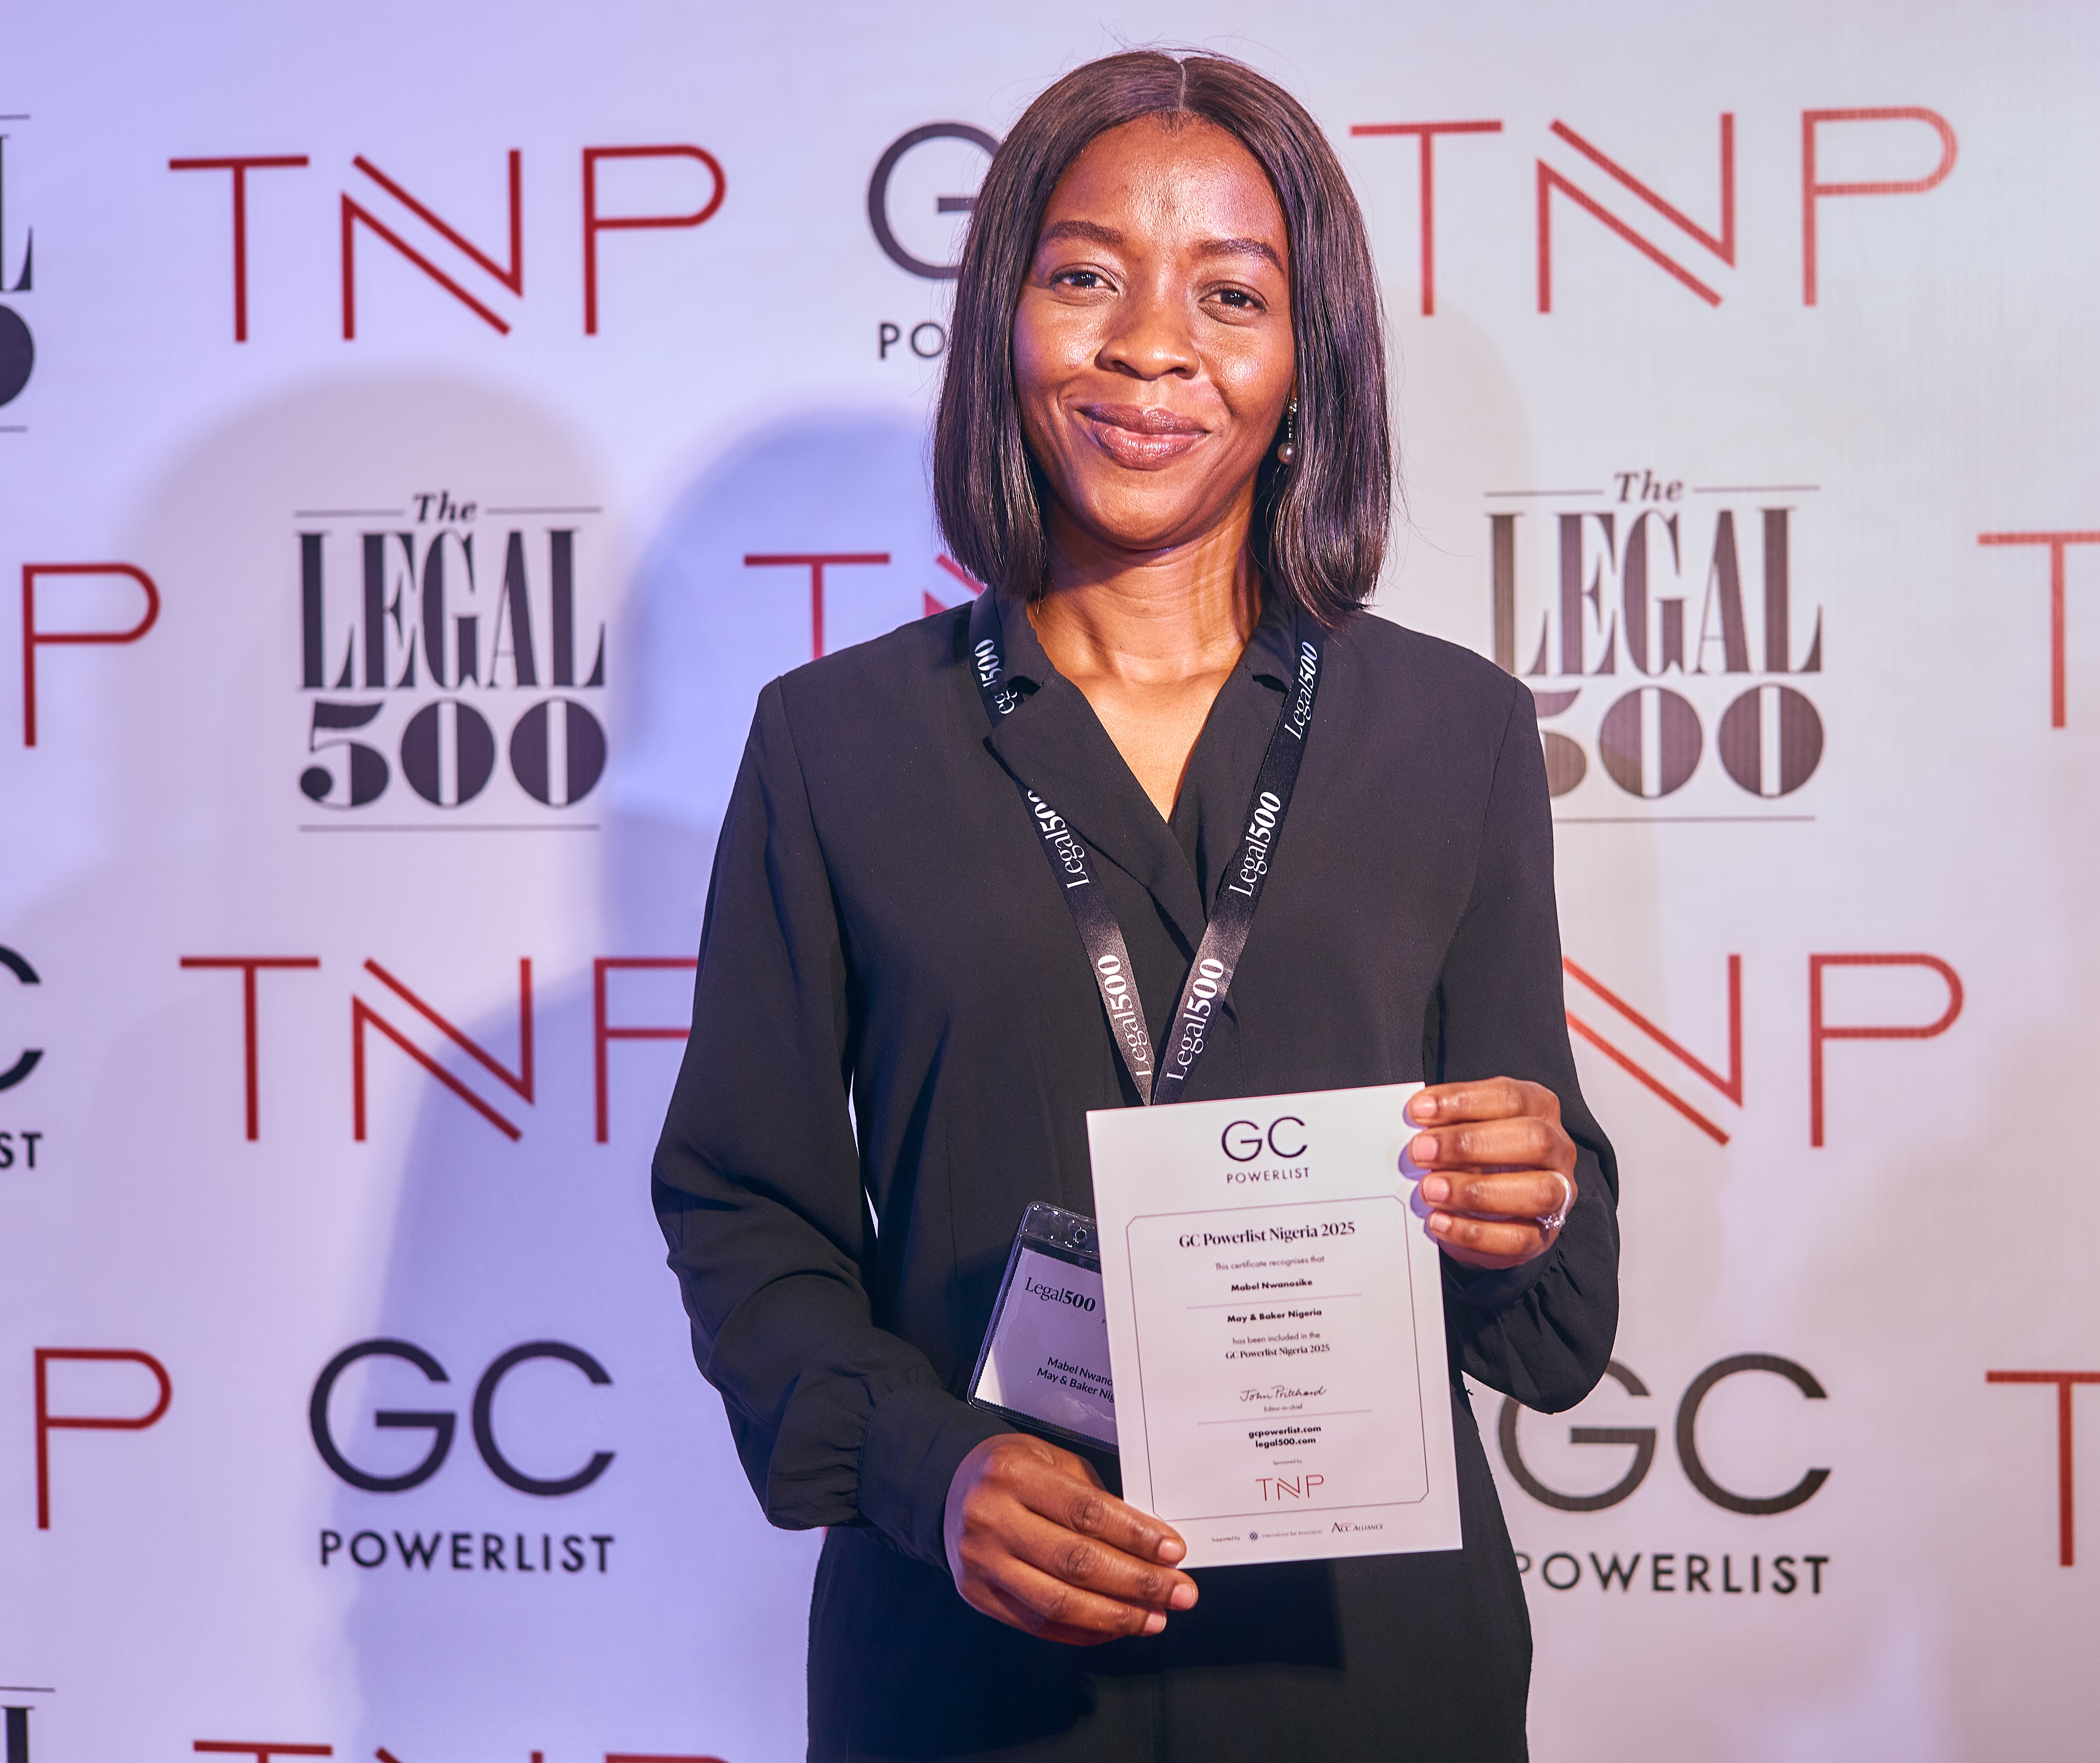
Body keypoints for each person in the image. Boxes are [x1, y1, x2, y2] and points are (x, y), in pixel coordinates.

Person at [653, 48, 1619, 1763]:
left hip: (1369, 1670)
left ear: (1308, 362)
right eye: (1087, 276)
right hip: (976, 1674)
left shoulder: (1457, 732)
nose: (1150, 345)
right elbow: (748, 1212)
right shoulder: (833, 743)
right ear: (1002, 324)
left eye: (1230, 294)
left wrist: (1525, 1199)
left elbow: (1548, 1309)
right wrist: (929, 1469)